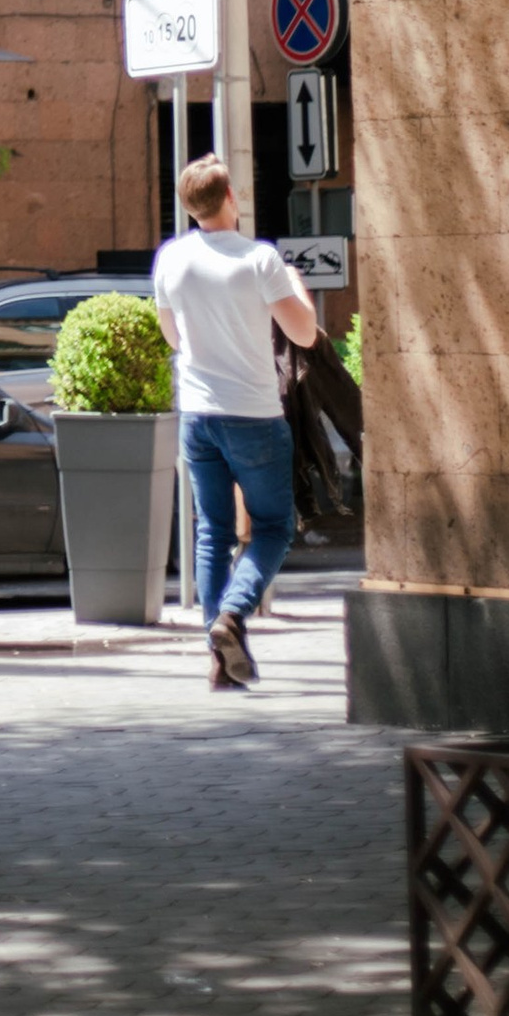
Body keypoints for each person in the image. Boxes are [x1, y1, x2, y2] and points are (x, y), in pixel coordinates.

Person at [151, 154, 318, 693]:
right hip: (253, 415)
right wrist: (296, 285)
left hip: (197, 415)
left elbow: (172, 336)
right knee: (273, 527)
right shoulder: (260, 259)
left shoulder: (171, 259)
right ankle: (233, 613)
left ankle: (219, 661)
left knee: (213, 531)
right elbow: (305, 333)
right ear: (229, 198)